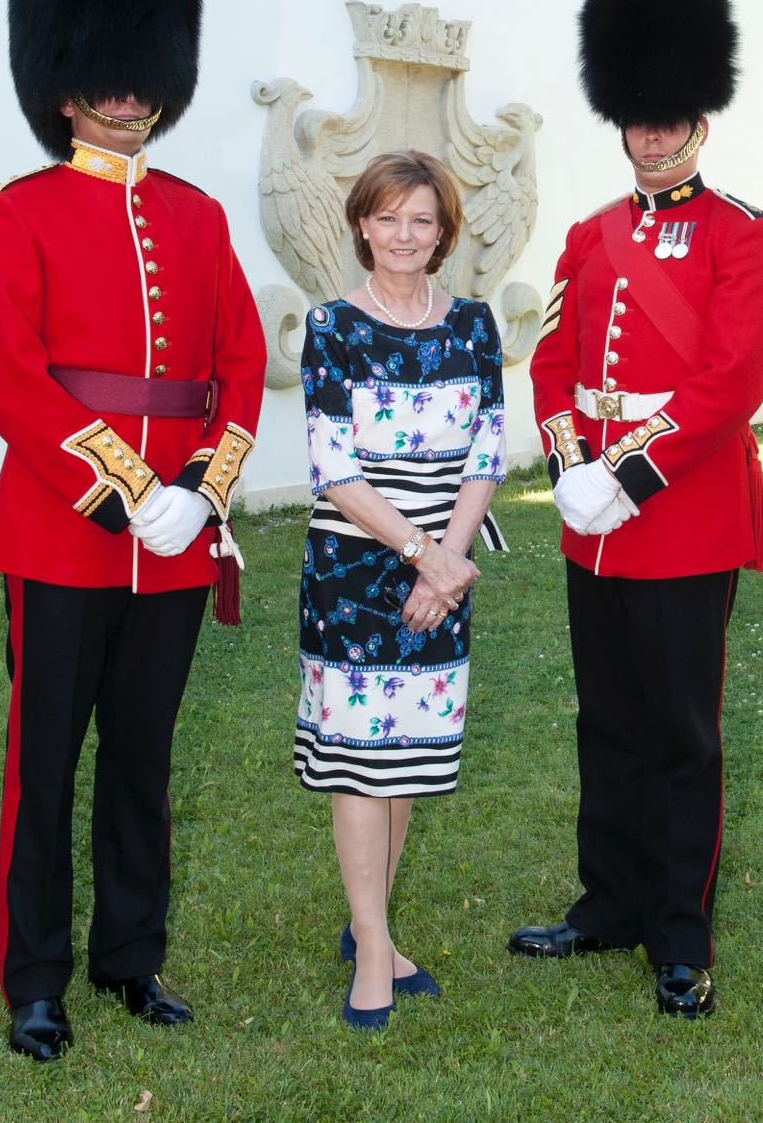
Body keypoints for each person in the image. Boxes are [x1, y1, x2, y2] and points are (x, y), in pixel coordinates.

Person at [0, 0, 266, 1060]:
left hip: (177, 551)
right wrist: (125, 491)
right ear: (62, 74)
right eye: (107, 69)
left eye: (148, 70)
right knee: (45, 772)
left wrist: (198, 494)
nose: (132, 94)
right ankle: (34, 978)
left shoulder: (196, 216)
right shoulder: (17, 211)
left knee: (141, 765)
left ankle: (130, 958)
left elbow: (237, 364)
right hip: (59, 535)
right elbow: (7, 378)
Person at [508, 0, 763, 1018]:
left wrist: (627, 473)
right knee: (606, 722)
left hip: (680, 521)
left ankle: (679, 936)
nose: (652, 130)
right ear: (620, 117)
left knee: (679, 733)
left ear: (697, 119)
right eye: (637, 114)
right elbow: (551, 361)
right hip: (596, 525)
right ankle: (608, 904)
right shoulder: (591, 235)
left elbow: (729, 383)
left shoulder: (743, 238)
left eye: (669, 114)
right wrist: (573, 463)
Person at [295, 150, 508, 1029]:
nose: (404, 235)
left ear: (443, 230)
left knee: (408, 754)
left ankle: (369, 924)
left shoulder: (476, 324)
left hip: (444, 566)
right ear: (361, 225)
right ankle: (374, 947)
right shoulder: (331, 326)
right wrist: (422, 552)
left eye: (421, 219)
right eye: (387, 218)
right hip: (356, 569)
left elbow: (488, 448)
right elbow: (335, 466)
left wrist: (450, 560)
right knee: (360, 761)